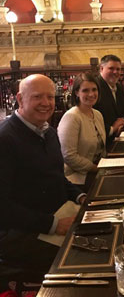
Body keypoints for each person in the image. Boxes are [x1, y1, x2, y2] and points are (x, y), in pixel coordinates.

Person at [0, 74, 85, 276]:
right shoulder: (5, 139)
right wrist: (53, 224)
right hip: (19, 233)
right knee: (84, 254)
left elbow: (56, 177)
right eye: (38, 97)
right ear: (20, 99)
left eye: (50, 97)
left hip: (56, 214)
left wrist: (80, 196)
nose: (46, 103)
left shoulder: (48, 132)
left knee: (104, 232)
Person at [57, 72, 106, 192]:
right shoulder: (72, 117)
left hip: (98, 170)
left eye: (94, 89)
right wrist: (96, 168)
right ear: (76, 93)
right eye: (85, 90)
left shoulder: (97, 114)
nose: (91, 94)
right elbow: (69, 156)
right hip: (78, 179)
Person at [94, 54, 124, 144]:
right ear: (101, 69)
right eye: (111, 68)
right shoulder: (95, 88)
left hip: (120, 136)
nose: (115, 72)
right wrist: (113, 128)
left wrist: (123, 123)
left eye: (118, 69)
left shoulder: (119, 87)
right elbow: (92, 120)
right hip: (103, 142)